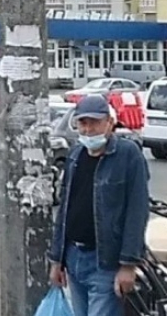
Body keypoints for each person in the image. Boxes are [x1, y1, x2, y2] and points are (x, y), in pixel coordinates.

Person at [48, 94, 150, 316]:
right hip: (74, 258)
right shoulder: (76, 155)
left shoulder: (127, 155)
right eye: (82, 123)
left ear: (109, 123)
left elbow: (137, 211)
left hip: (105, 262)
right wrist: (57, 259)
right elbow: (65, 210)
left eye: (94, 122)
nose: (88, 130)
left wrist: (128, 265)